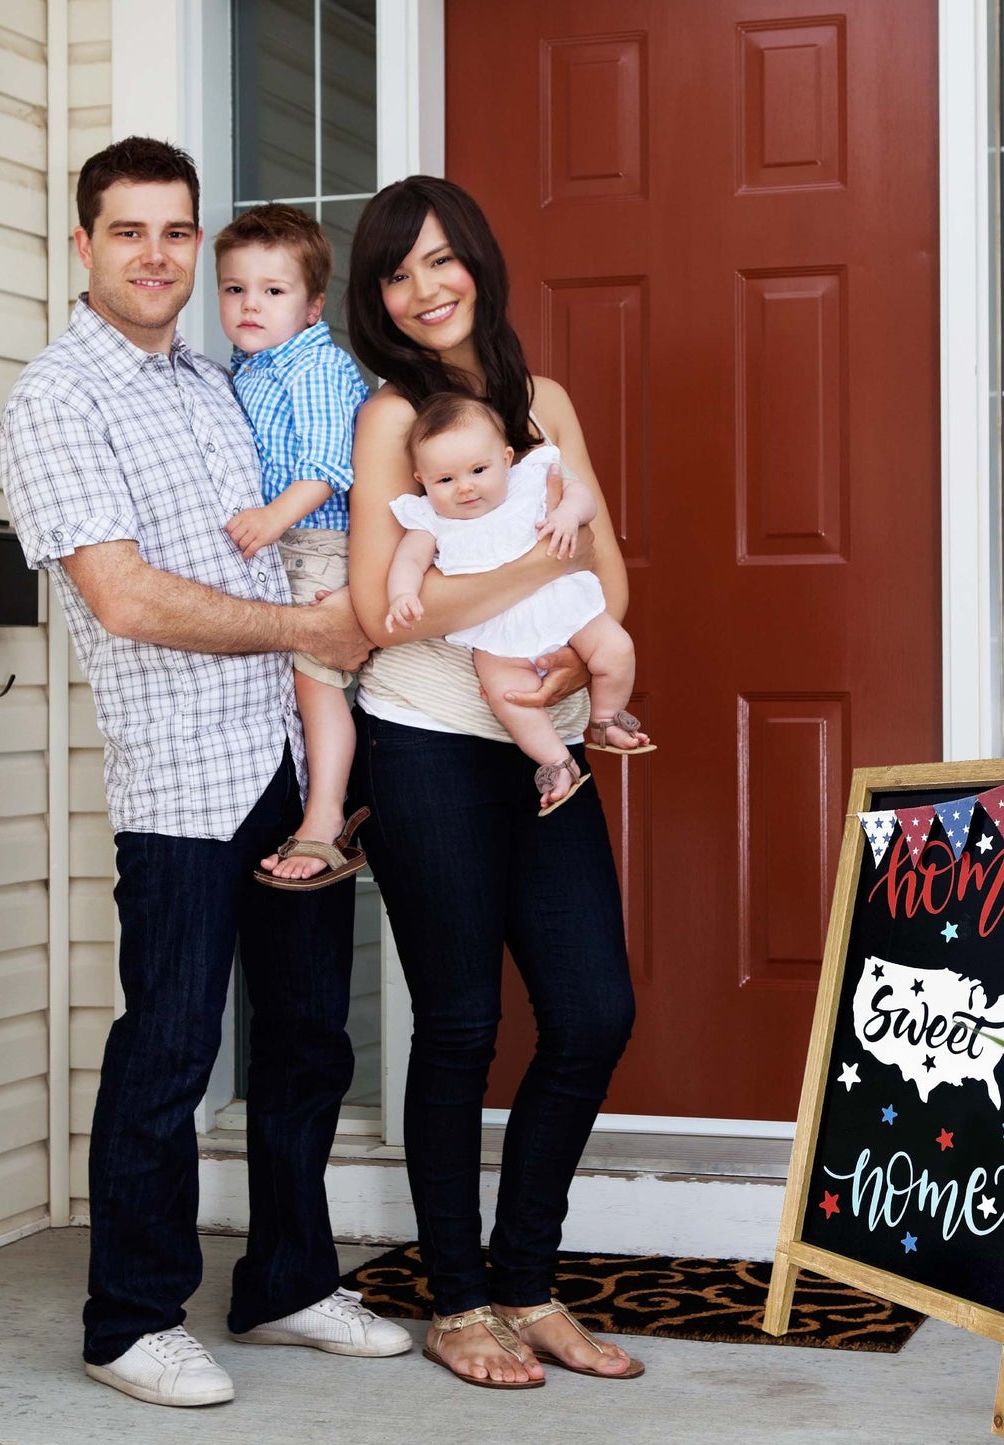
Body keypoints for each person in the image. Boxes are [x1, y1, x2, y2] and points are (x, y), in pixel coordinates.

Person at [0, 136, 410, 1410]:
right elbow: (120, 597)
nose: (158, 255)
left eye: (177, 231)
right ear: (83, 245)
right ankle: (129, 1317)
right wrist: (309, 629)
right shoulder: (57, 398)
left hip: (289, 766)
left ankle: (287, 1280)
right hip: (179, 778)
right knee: (170, 1047)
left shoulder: (218, 380)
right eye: (129, 231)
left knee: (302, 1042)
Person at [344, 174, 643, 1388]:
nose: (422, 289)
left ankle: (528, 1279)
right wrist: (529, 573)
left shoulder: (545, 403)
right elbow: (379, 611)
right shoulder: (389, 420)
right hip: (422, 744)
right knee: (461, 1022)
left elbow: (610, 582)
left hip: (547, 744)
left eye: (438, 260)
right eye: (395, 273)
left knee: (590, 1012)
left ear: (477, 259)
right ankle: (458, 1299)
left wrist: (566, 649)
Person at [387, 392, 653, 812]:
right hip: (496, 633)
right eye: (445, 480)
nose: (466, 486)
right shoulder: (429, 519)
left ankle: (604, 720)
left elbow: (583, 498)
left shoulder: (530, 482)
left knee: (617, 648)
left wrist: (568, 515)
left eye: (478, 469)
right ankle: (556, 760)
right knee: (508, 695)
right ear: (422, 479)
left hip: (563, 610)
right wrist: (402, 593)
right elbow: (409, 559)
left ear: (506, 458)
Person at [214, 204, 370, 885]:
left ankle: (328, 811)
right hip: (281, 543)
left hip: (313, 540)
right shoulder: (247, 366)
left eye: (273, 292)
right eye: (235, 288)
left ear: (311, 308)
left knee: (316, 681)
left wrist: (272, 519)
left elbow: (328, 463)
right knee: (291, 679)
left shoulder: (314, 367)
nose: (251, 304)